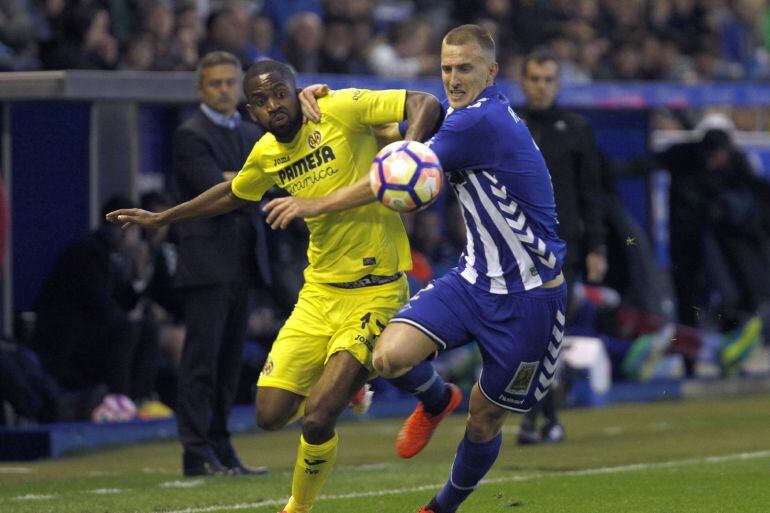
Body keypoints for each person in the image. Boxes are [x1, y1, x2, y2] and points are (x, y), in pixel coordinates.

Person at [107, 59, 441, 513]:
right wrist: (163, 216)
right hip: (319, 293)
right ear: (252, 113)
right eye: (261, 102)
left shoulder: (339, 108)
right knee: (269, 415)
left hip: (375, 288)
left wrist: (408, 155)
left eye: (280, 93)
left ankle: (297, 506)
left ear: (295, 89)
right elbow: (230, 193)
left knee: (318, 418)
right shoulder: (266, 153)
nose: (274, 105)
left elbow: (426, 102)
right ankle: (353, 383)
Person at [353, 25, 566, 513]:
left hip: (531, 299)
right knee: (387, 358)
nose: (452, 78)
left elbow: (401, 168)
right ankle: (435, 398)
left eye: (464, 68)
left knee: (484, 419)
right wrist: (329, 111)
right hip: (472, 282)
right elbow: (397, 131)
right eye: (446, 68)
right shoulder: (460, 117)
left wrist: (312, 204)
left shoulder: (482, 122)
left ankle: (442, 507)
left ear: (491, 73)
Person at [168, 51, 271, 477]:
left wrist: (242, 180)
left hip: (243, 260)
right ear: (201, 89)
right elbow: (218, 189)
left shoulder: (250, 130)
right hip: (207, 262)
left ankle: (222, 446)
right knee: (201, 362)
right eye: (216, 83)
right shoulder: (190, 133)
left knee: (229, 364)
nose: (226, 90)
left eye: (231, 82)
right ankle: (196, 451)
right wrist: (247, 180)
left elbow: (259, 180)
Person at [516, 49, 607, 444]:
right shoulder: (510, 125)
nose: (541, 87)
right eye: (535, 79)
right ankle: (547, 419)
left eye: (548, 79)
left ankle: (533, 421)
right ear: (523, 82)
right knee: (527, 338)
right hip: (513, 248)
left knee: (544, 333)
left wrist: (597, 247)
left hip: (560, 249)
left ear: (558, 83)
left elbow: (592, 192)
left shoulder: (576, 128)